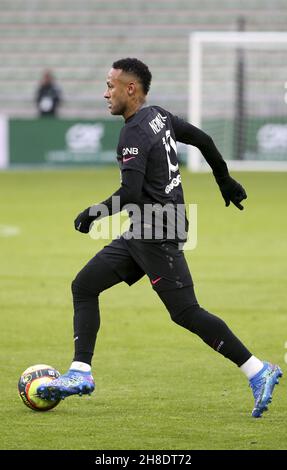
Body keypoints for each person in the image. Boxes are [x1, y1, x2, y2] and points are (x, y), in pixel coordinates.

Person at [37, 58, 282, 418]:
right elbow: (203, 139)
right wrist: (223, 179)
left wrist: (95, 213)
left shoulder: (134, 131)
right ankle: (80, 372)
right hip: (145, 229)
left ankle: (258, 371)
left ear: (130, 89)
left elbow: (131, 192)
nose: (105, 94)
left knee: (186, 312)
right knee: (84, 286)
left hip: (156, 233)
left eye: (110, 86)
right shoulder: (159, 116)